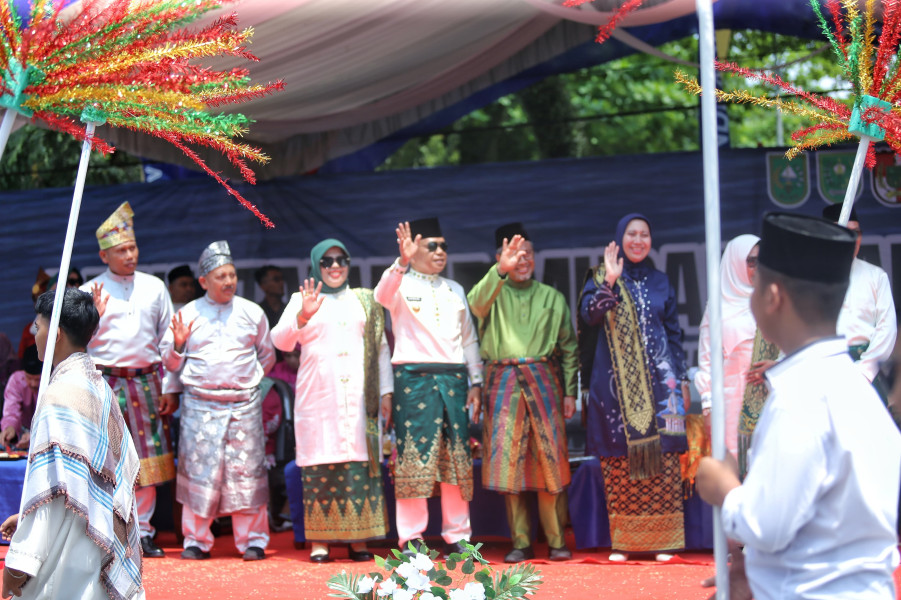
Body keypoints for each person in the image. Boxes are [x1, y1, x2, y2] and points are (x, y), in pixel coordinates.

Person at [697, 212, 901, 600]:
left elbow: (766, 526)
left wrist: (725, 489)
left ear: (772, 297)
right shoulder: (857, 393)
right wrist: (753, 575)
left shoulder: (801, 399)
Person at [1, 289, 143, 600]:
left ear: (57, 333)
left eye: (38, 327)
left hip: (66, 560)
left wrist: (17, 566)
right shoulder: (100, 388)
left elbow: (53, 496)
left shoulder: (59, 398)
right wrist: (26, 516)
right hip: (98, 542)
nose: (35, 333)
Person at [271, 238, 392, 563]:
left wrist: (386, 392)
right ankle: (320, 543)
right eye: (327, 261)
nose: (335, 266)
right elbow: (280, 341)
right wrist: (302, 316)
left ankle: (359, 541)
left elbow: (380, 349)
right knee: (320, 464)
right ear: (316, 265)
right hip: (318, 400)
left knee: (357, 464)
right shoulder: (302, 298)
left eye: (341, 260)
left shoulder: (365, 300)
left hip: (358, 400)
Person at [578, 213, 688, 562]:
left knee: (665, 460)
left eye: (644, 234)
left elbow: (674, 335)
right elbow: (588, 315)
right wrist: (610, 281)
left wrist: (681, 380)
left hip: (661, 387)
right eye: (631, 234)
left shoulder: (661, 281)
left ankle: (664, 540)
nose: (638, 240)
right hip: (614, 388)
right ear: (619, 239)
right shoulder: (599, 277)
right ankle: (626, 542)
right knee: (620, 464)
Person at [467, 223, 577, 563]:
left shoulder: (552, 297)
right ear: (499, 258)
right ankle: (520, 542)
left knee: (549, 463)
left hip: (544, 380)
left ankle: (557, 540)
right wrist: (500, 271)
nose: (522, 259)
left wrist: (571, 391)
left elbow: (569, 348)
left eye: (527, 253)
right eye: (514, 254)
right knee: (509, 465)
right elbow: (475, 304)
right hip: (503, 382)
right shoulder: (490, 294)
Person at [374, 218, 483, 557]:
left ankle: (458, 536)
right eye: (432, 245)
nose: (440, 252)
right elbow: (381, 295)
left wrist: (476, 380)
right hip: (414, 381)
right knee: (414, 460)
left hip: (453, 380)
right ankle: (411, 538)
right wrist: (401, 263)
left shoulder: (455, 289)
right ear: (414, 248)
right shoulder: (400, 283)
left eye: (444, 246)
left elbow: (468, 339)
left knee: (455, 459)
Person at [160, 241, 276, 561]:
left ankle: (252, 540)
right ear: (203, 282)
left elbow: (266, 357)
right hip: (200, 404)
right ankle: (196, 540)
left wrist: (243, 385)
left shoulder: (252, 312)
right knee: (201, 473)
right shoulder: (187, 314)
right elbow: (170, 364)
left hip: (243, 404)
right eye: (220, 276)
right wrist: (179, 345)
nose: (228, 282)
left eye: (232, 275)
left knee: (246, 472)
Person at [80, 201, 176, 558]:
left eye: (132, 248)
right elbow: (73, 343)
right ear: (104, 255)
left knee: (147, 459)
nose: (129, 255)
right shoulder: (90, 291)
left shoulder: (153, 287)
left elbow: (168, 340)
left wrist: (171, 387)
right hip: (106, 382)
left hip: (148, 381)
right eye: (121, 250)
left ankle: (145, 531)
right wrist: (94, 317)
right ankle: (111, 531)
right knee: (111, 457)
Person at [694, 234, 779, 472]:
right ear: (734, 263)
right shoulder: (718, 307)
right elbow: (707, 361)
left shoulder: (775, 301)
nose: (758, 268)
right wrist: (708, 407)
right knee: (735, 475)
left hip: (773, 398)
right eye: (750, 261)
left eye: (762, 261)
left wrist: (778, 365)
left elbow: (794, 349)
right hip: (730, 406)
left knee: (773, 471)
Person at [822, 204, 897, 401]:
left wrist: (864, 372)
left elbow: (886, 329)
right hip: (823, 373)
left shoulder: (875, 276)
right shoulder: (810, 278)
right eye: (845, 232)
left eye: (856, 232)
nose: (852, 239)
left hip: (866, 373)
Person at [0, 345, 41, 449]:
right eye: (29, 378)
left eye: (37, 379)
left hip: (48, 435)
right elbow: (11, 411)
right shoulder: (16, 380)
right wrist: (10, 428)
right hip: (23, 433)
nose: (33, 384)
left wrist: (36, 436)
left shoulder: (54, 380)